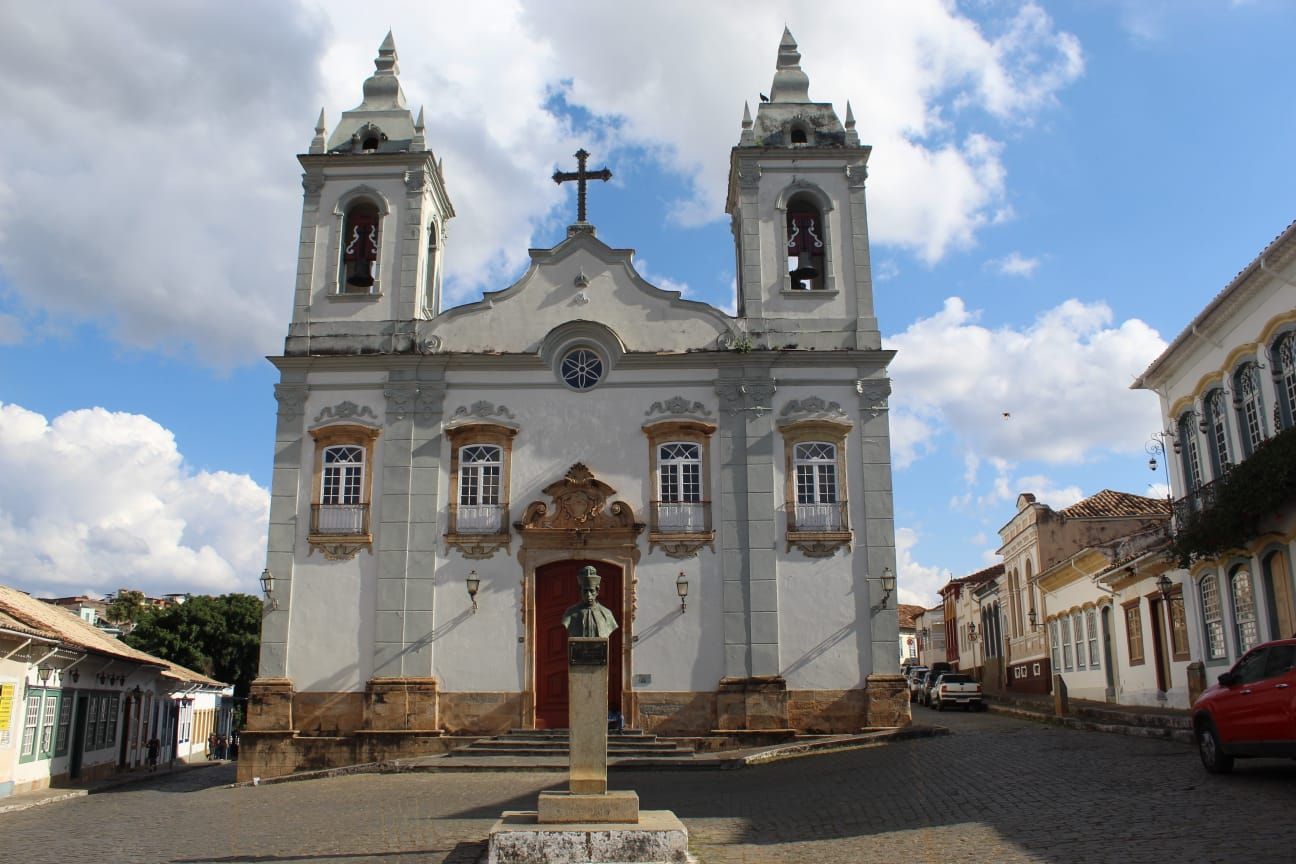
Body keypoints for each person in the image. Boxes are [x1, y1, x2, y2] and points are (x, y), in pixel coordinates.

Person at [561, 566, 618, 638]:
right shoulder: (570, 612)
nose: (588, 595)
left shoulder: (607, 613)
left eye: (591, 591)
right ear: (580, 591)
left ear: (597, 591)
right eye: (585, 591)